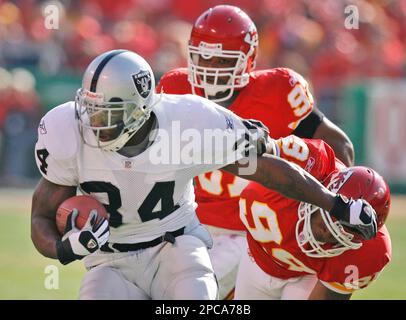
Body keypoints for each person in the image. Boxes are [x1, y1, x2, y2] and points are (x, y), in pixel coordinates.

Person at [31, 49, 375, 300]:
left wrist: (334, 204)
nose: (94, 123)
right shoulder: (67, 130)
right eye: (91, 110)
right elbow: (41, 216)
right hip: (110, 259)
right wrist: (64, 248)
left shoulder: (185, 125)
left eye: (109, 113)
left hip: (176, 245)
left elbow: (268, 172)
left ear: (140, 108)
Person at [156, 4, 355, 299]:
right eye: (203, 59)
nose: (210, 70)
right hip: (191, 226)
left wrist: (325, 198)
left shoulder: (277, 90)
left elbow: (340, 149)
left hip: (251, 230)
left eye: (222, 62)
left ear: (247, 60)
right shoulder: (175, 86)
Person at [235, 135, 391, 300]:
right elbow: (257, 149)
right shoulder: (311, 162)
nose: (326, 235)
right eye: (327, 221)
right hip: (257, 258)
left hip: (305, 275)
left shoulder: (371, 251)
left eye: (339, 238)